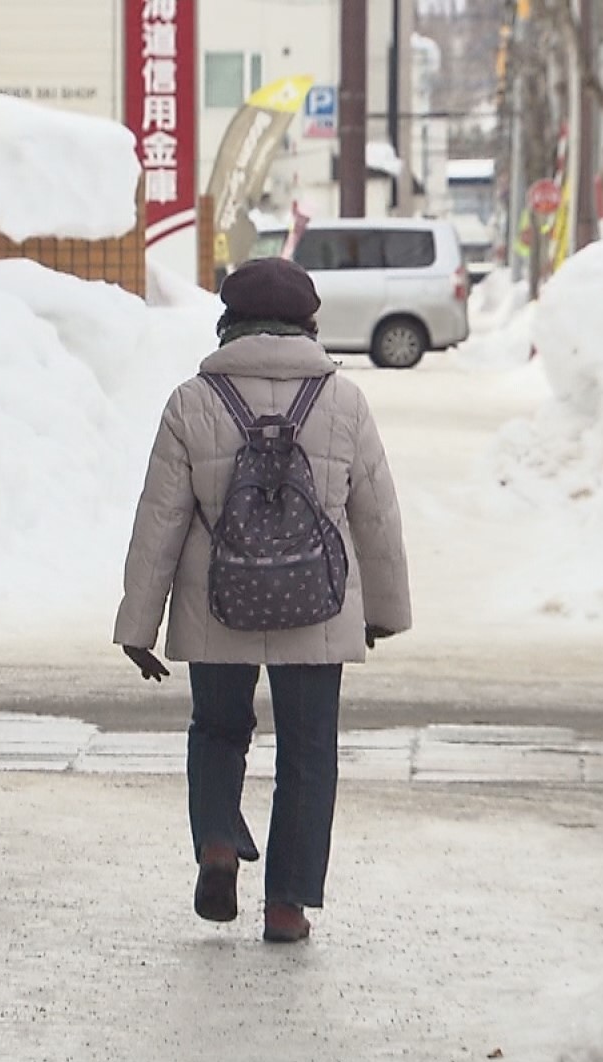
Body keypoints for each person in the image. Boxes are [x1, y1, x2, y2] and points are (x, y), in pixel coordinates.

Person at [114, 257, 411, 944]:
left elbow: (158, 521)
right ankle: (287, 905)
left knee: (218, 732)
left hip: (216, 603)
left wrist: (138, 624)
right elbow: (376, 517)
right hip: (320, 600)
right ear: (308, 325)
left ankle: (218, 842)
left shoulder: (191, 402)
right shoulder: (343, 401)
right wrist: (385, 612)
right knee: (309, 752)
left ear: (229, 323)